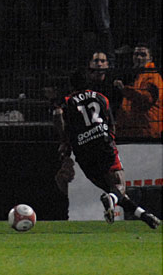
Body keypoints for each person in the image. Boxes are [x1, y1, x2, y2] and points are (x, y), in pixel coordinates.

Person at [53, 68, 160, 229]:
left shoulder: (68, 100)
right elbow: (111, 123)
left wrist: (64, 141)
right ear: (88, 83)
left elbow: (56, 114)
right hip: (103, 144)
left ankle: (144, 216)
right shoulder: (101, 98)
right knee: (118, 186)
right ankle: (116, 202)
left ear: (71, 86)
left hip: (83, 151)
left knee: (113, 191)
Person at [113, 44, 163, 138]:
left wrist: (124, 89)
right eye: (136, 54)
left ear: (150, 58)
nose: (139, 57)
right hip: (136, 130)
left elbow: (146, 99)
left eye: (143, 55)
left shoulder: (152, 76)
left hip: (146, 133)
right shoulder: (140, 76)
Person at [86, 50, 122, 115]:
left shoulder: (113, 84)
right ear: (90, 63)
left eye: (102, 61)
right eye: (96, 61)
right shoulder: (84, 83)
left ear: (107, 64)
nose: (99, 64)